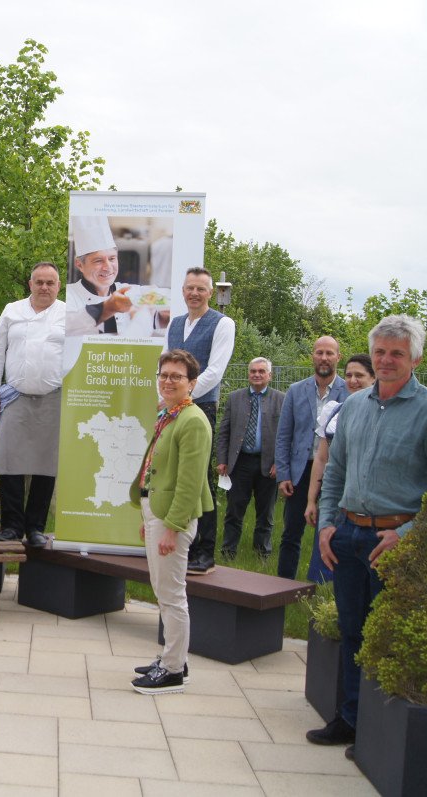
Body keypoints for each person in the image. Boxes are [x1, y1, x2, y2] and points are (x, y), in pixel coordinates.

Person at [307, 315, 427, 755]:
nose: (386, 360)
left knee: (390, 640)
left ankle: (382, 737)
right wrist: (326, 525)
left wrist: (410, 534)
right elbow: (335, 472)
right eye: (380, 351)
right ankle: (352, 719)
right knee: (352, 631)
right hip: (348, 538)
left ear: (415, 357)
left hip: (396, 546)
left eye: (397, 353)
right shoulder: (354, 406)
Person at [129, 349, 213, 694]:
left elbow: (191, 482)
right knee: (164, 591)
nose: (168, 381)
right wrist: (151, 519)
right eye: (164, 375)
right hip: (158, 513)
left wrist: (173, 528)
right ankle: (173, 656)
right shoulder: (170, 414)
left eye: (177, 377)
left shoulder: (192, 421)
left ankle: (174, 669)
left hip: (172, 518)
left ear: (192, 383)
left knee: (172, 595)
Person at [0, 262, 66, 549]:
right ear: (30, 284)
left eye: (50, 282)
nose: (45, 287)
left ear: (58, 285)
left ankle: (35, 528)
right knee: (10, 463)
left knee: (46, 465)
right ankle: (11, 526)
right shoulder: (12, 310)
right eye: (39, 281)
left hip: (54, 397)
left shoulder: (69, 314)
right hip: (16, 395)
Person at [166, 267, 236, 574]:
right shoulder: (175, 324)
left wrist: (185, 395)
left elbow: (215, 371)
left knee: (200, 481)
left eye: (201, 289)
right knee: (176, 477)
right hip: (173, 408)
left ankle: (205, 551)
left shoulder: (223, 324)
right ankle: (183, 544)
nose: (194, 293)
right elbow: (169, 367)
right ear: (183, 291)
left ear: (210, 293)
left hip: (200, 408)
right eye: (189, 288)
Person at [274, 336, 347, 580]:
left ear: (338, 357)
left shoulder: (350, 391)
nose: (324, 358)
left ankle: (322, 587)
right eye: (319, 353)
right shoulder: (296, 391)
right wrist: (283, 474)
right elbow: (284, 435)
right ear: (313, 356)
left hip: (334, 472)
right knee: (291, 533)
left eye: (329, 353)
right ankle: (283, 587)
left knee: (327, 532)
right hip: (300, 472)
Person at [303, 354, 376, 582]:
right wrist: (311, 500)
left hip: (362, 498)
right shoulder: (334, 411)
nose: (353, 380)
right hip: (334, 494)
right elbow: (322, 458)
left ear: (374, 379)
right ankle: (323, 610)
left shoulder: (379, 413)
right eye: (350, 375)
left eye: (360, 375)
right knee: (327, 554)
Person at [215, 357, 285, 559]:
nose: (257, 374)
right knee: (234, 511)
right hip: (240, 463)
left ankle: (262, 555)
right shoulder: (235, 398)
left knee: (266, 515)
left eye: (261, 371)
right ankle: (228, 553)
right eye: (253, 371)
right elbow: (224, 432)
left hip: (268, 465)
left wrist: (279, 463)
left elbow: (287, 435)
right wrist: (222, 459)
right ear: (248, 374)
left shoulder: (281, 399)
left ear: (269, 375)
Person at [65, 216, 150, 337]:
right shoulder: (68, 296)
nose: (108, 267)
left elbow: (159, 318)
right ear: (80, 265)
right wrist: (109, 307)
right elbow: (66, 326)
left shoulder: (130, 291)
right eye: (98, 261)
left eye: (112, 258)